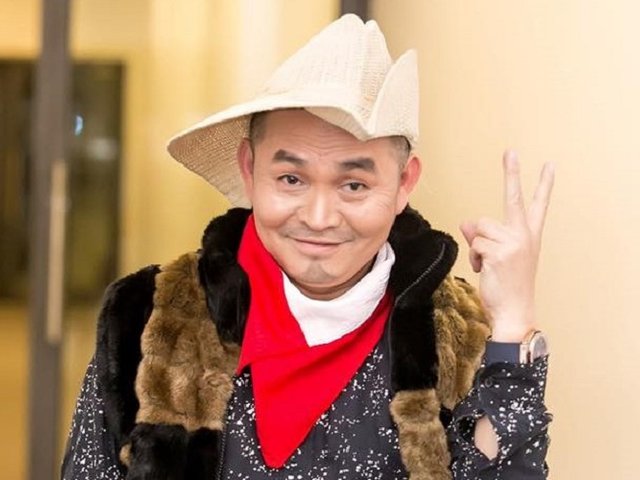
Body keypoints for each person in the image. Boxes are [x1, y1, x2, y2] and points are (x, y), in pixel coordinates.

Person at [62, 14, 553, 480]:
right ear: (250, 170)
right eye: (291, 179)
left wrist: (513, 328)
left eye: (354, 185)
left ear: (404, 183)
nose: (319, 219)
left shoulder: (457, 331)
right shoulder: (148, 315)